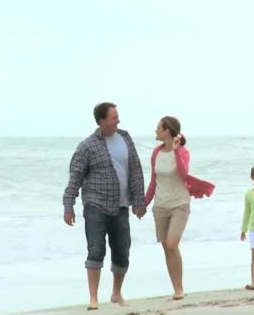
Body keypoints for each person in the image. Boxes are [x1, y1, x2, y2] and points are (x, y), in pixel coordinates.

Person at [62, 102, 146, 311]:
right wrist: (68, 205)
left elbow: (135, 170)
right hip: (95, 204)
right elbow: (75, 177)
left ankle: (116, 293)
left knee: (122, 251)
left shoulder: (125, 138)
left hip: (121, 206)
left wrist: (139, 200)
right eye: (114, 117)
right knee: (96, 250)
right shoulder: (87, 146)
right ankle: (93, 298)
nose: (118, 120)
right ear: (102, 121)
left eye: (117, 116)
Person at [143, 116, 215, 300]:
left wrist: (175, 151)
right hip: (160, 205)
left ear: (167, 130)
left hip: (179, 204)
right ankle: (176, 288)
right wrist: (143, 203)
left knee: (172, 245)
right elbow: (153, 180)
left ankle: (180, 289)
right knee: (167, 248)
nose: (156, 131)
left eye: (158, 128)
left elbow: (184, 173)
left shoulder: (183, 152)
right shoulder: (156, 152)